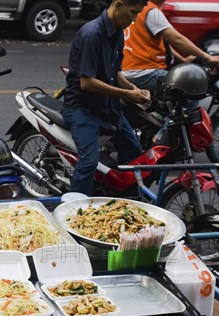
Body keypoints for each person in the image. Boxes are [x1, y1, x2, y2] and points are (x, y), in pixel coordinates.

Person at [61, 0, 151, 196]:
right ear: (118, 5)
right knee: (89, 162)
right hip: (82, 109)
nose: (135, 19)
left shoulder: (118, 31)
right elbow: (87, 83)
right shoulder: (91, 34)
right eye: (133, 13)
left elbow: (113, 72)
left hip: (107, 107)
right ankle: (73, 211)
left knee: (136, 156)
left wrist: (134, 88)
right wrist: (127, 94)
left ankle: (124, 200)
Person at [122, 0, 219, 93]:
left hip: (128, 70)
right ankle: (187, 114)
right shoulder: (152, 11)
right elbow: (177, 40)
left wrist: (183, 60)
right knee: (192, 86)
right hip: (144, 73)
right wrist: (207, 57)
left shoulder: (140, 8)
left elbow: (163, 43)